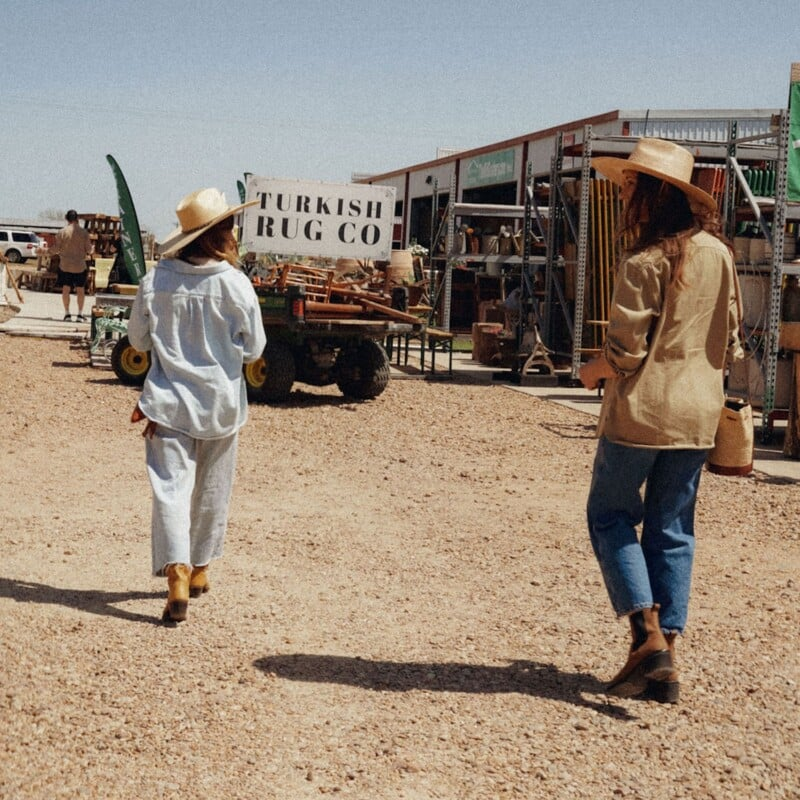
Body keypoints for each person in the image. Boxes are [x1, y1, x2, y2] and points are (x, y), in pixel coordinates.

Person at [579, 138, 742, 703]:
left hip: (641, 414)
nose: (624, 196)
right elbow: (733, 341)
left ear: (653, 194)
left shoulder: (645, 261)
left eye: (631, 186)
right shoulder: (719, 255)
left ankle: (646, 636)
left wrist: (592, 371)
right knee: (672, 528)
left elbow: (625, 353)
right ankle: (664, 661)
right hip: (697, 414)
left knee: (609, 515)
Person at [126, 188, 266, 624]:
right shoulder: (236, 284)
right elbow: (254, 348)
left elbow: (138, 342)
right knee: (212, 489)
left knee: (170, 491)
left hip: (168, 404)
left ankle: (178, 574)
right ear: (221, 234)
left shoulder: (155, 281)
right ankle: (201, 568)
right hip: (221, 406)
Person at [53, 209, 93, 322]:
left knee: (66, 289)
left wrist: (46, 251)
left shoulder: (62, 232)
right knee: (80, 290)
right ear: (77, 219)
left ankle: (67, 314)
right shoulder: (84, 233)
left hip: (65, 265)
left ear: (66, 218)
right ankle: (80, 314)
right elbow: (89, 250)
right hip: (80, 266)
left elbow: (56, 248)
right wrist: (92, 249)